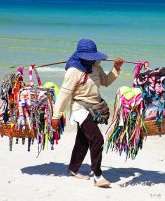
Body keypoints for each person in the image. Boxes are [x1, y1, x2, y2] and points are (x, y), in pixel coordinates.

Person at [51, 38, 123, 188]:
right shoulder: (74, 71)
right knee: (97, 139)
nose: (92, 60)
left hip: (94, 108)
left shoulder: (95, 67)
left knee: (83, 140)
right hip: (80, 109)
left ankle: (73, 168)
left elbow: (106, 82)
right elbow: (64, 94)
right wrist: (56, 116)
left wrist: (116, 68)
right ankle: (98, 176)